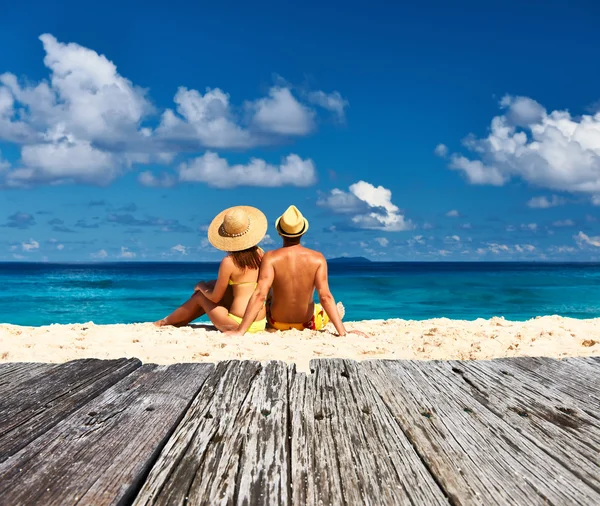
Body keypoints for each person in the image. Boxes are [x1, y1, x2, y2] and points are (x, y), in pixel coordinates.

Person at [225, 205, 368, 338]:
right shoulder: (318, 259)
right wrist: (343, 332)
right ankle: (332, 316)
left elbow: (259, 295)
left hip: (276, 323)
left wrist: (240, 330)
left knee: (268, 293)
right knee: (319, 306)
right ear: (303, 232)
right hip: (307, 324)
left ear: (280, 233)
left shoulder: (270, 258)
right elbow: (325, 296)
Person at [154, 206, 268, 333]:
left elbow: (215, 298)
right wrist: (209, 285)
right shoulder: (260, 253)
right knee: (210, 288)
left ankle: (164, 322)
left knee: (201, 297)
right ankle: (178, 322)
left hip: (237, 323)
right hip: (259, 322)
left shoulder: (229, 262)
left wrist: (201, 286)